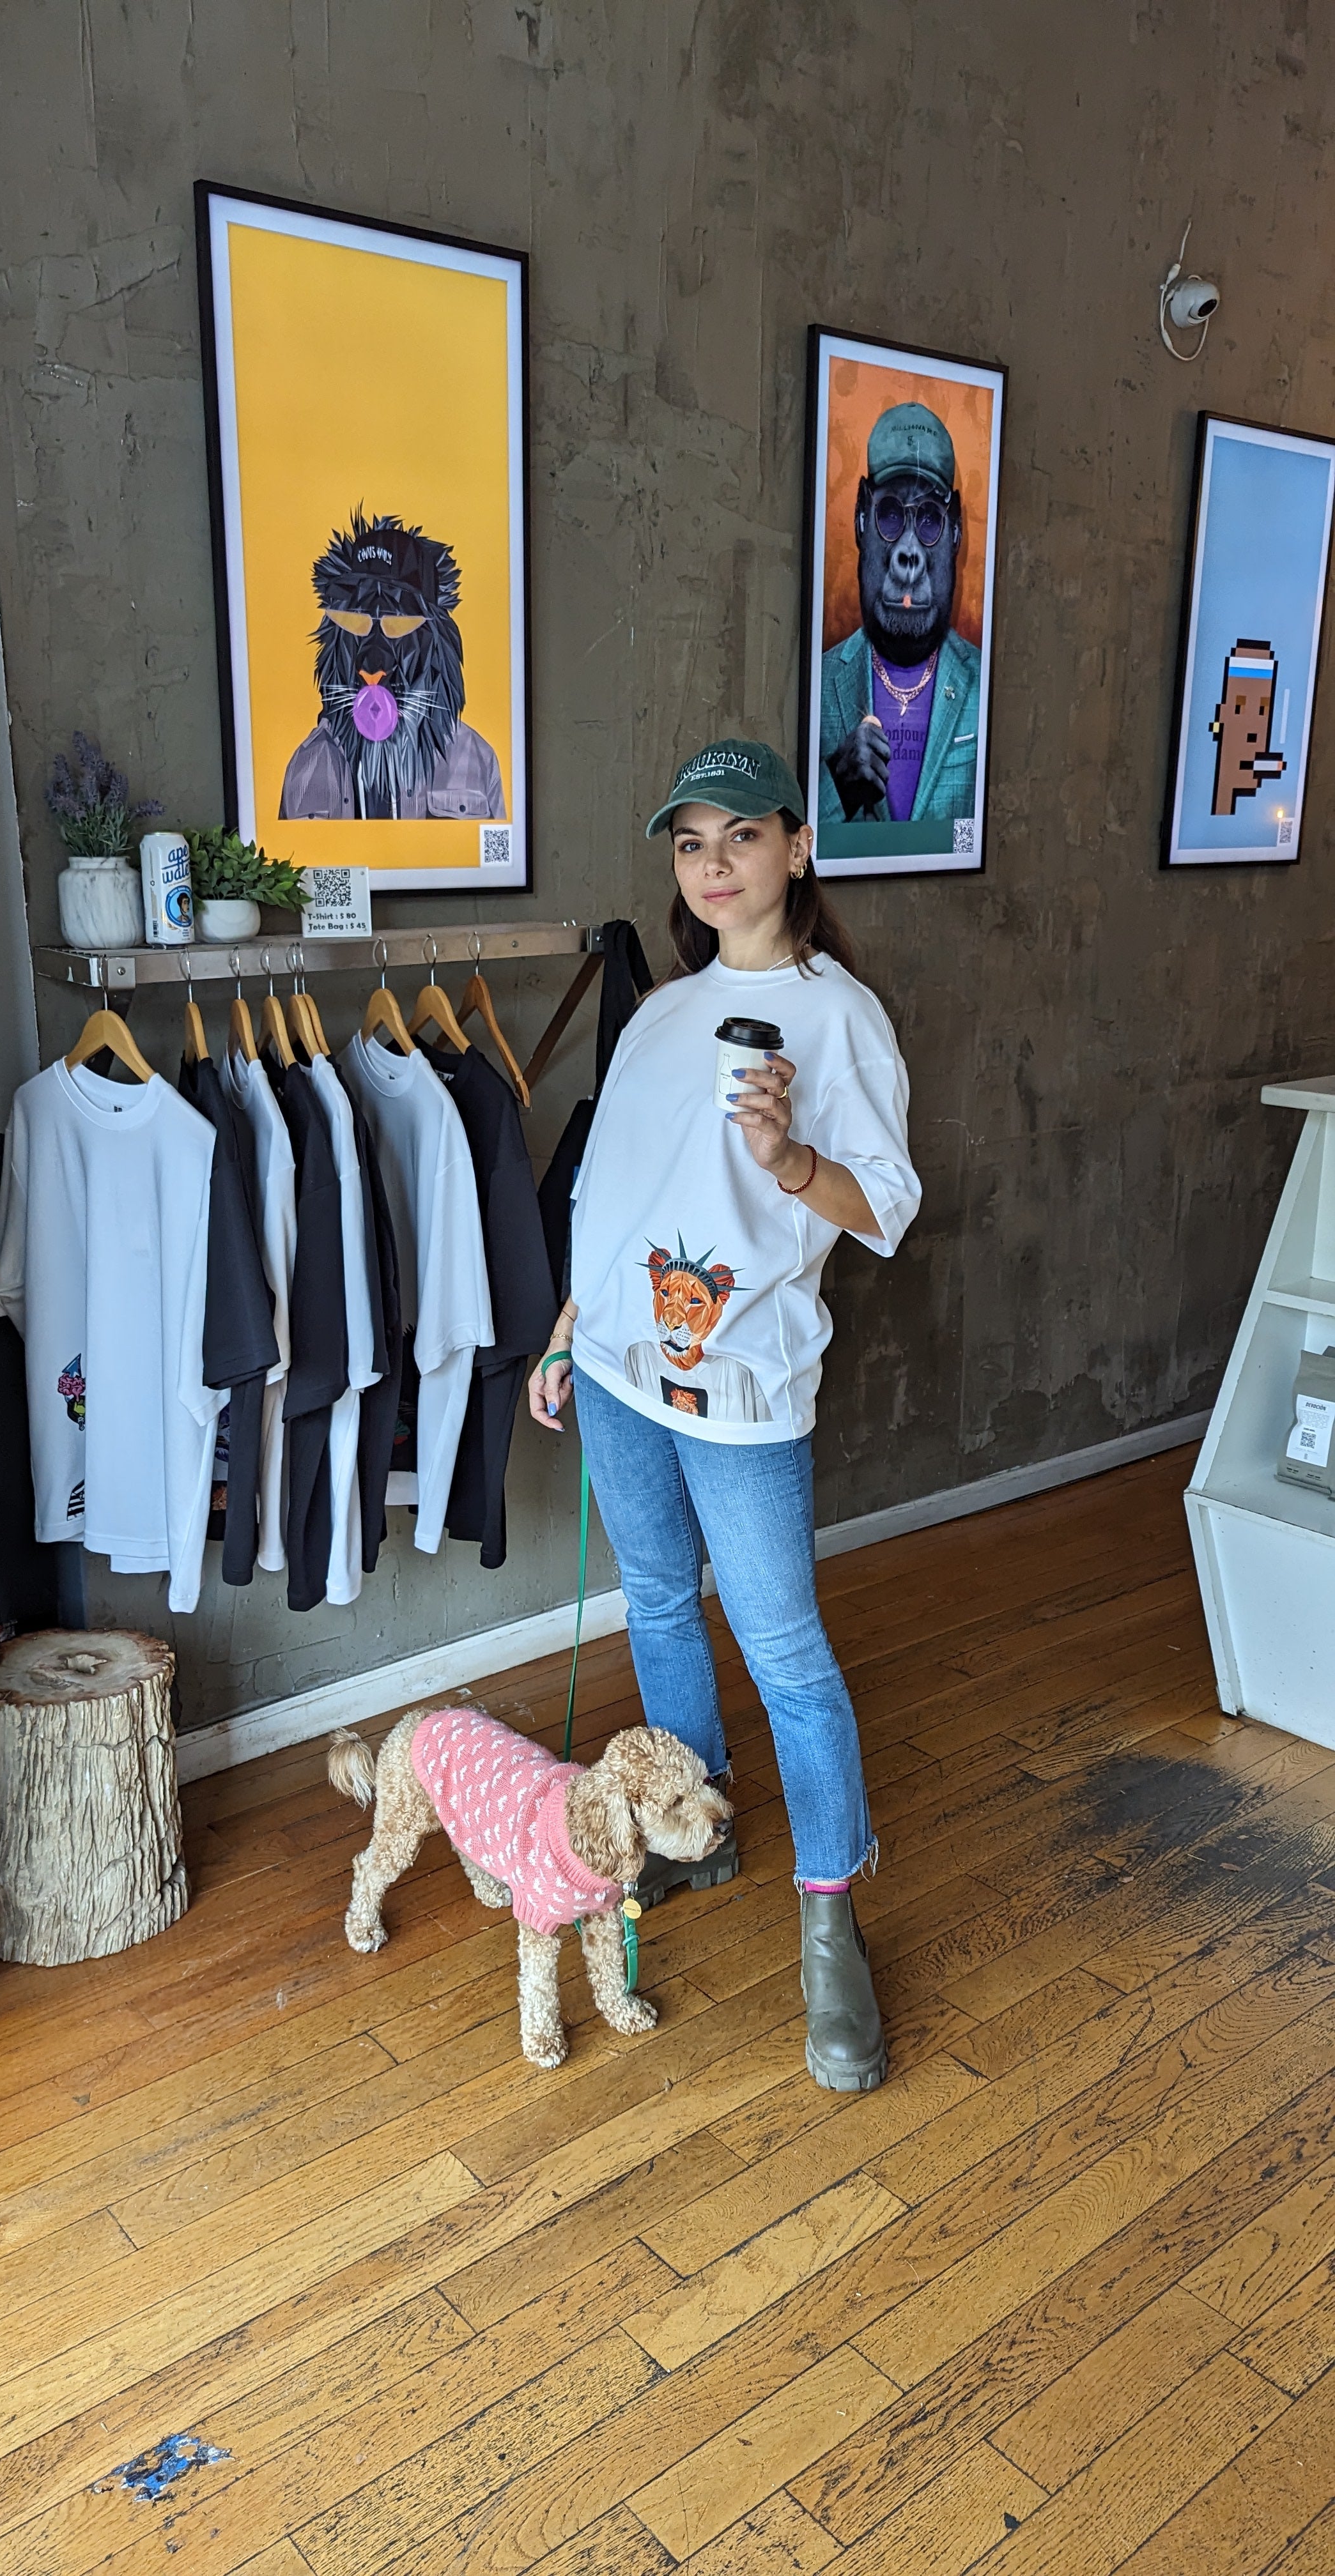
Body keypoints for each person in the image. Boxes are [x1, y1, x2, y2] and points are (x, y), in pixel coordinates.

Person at [529, 737, 920, 2092]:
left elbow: (885, 1209)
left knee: (785, 1650)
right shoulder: (659, 1014)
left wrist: (787, 1156)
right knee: (654, 1599)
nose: (713, 866)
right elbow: (611, 1196)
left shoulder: (838, 1018)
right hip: (620, 1368)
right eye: (690, 844)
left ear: (796, 847)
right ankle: (699, 1833)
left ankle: (830, 1922)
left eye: (740, 836)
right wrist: (568, 1329)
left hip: (742, 1383)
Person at [818, 401, 980, 831]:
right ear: (861, 519)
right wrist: (837, 785)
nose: (908, 553)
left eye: (929, 520)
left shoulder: (985, 685)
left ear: (956, 531)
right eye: (889, 515)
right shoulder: (819, 682)